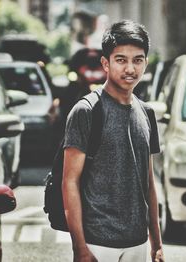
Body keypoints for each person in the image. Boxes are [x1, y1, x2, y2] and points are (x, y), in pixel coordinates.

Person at [62, 20, 164, 262]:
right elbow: (70, 183)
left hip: (137, 243)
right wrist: (80, 248)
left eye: (137, 60)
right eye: (121, 60)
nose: (130, 68)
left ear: (146, 63)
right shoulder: (86, 111)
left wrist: (156, 243)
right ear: (106, 64)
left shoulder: (147, 113)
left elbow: (148, 182)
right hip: (97, 244)